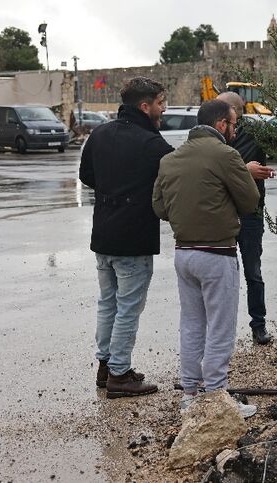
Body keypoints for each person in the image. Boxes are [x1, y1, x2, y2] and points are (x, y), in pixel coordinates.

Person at [152, 100, 260, 417]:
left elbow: (159, 208)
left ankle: (189, 395)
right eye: (234, 124)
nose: (236, 130)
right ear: (221, 124)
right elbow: (250, 201)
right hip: (217, 253)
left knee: (192, 325)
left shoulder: (170, 159)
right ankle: (216, 396)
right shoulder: (227, 155)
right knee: (221, 328)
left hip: (184, 253)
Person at [79, 76, 173, 399]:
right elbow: (172, 178)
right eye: (160, 103)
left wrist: (112, 189)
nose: (164, 109)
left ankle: (106, 367)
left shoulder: (99, 134)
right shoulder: (152, 144)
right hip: (133, 239)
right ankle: (120, 373)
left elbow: (85, 175)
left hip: (103, 234)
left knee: (108, 303)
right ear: (145, 106)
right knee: (128, 306)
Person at [216, 92, 276, 345]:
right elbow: (213, 169)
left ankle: (258, 325)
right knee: (222, 274)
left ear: (234, 110)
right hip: (221, 212)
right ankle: (221, 330)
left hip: (250, 213)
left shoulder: (256, 132)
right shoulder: (212, 136)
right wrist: (245, 170)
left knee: (253, 271)